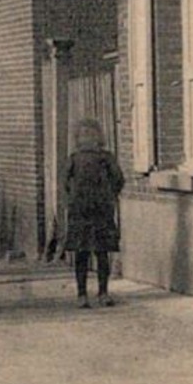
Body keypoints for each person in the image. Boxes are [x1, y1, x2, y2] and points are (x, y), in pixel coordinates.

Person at [64, 118, 124, 309]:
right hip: (80, 211)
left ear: (99, 137)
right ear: (78, 138)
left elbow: (118, 179)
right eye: (84, 134)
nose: (88, 138)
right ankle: (81, 294)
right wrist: (75, 199)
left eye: (92, 134)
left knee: (102, 253)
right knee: (81, 254)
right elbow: (65, 183)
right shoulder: (73, 159)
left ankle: (103, 292)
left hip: (101, 211)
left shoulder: (107, 158)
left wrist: (107, 196)